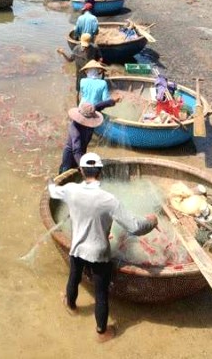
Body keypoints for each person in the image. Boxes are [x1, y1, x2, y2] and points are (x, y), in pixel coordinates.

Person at [48, 153, 158, 342]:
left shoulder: (71, 190)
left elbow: (52, 191)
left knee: (74, 277)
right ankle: (102, 332)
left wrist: (50, 180)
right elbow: (135, 227)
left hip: (77, 247)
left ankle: (71, 306)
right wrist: (151, 221)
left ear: (81, 171)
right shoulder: (109, 200)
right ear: (100, 172)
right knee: (101, 293)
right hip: (98, 252)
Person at [58, 100, 116, 174]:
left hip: (82, 151)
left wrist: (112, 101)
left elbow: (98, 106)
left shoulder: (90, 113)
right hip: (70, 156)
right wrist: (83, 167)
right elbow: (76, 150)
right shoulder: (75, 129)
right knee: (65, 174)